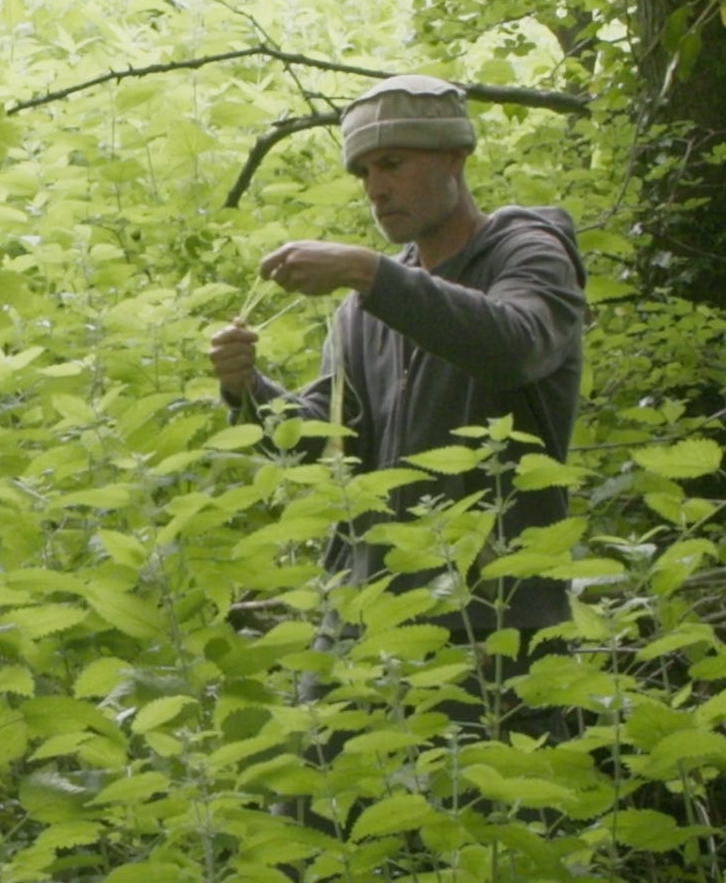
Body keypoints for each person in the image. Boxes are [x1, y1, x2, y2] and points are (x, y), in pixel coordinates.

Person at [206, 76, 588, 664]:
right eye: (363, 174)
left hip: (494, 619)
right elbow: (330, 446)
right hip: (366, 617)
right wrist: (245, 388)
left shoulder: (528, 254)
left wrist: (370, 274)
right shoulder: (366, 307)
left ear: (455, 158)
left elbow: (516, 347)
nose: (377, 189)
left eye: (392, 164)